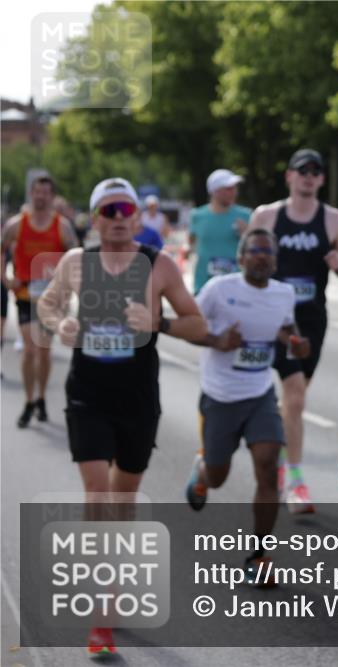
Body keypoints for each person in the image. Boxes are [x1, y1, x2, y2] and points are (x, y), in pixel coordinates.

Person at [36, 177, 206, 657]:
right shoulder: (76, 262)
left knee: (123, 499)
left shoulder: (160, 265)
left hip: (137, 400)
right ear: (94, 218)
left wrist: (159, 322)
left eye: (124, 210)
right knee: (98, 493)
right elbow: (46, 305)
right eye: (108, 210)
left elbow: (198, 324)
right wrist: (60, 324)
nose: (116, 218)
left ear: (136, 217)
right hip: (87, 395)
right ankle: (101, 612)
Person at [184, 227, 310, 581]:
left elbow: (288, 330)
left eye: (268, 251)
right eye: (255, 250)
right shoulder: (218, 290)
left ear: (275, 261)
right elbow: (187, 325)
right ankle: (203, 469)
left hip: (260, 395)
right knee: (218, 477)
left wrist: (297, 344)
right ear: (240, 258)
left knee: (268, 467)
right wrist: (217, 340)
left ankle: (260, 555)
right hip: (220, 396)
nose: (262, 256)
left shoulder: (283, 293)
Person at [249, 148, 338, 514]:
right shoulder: (267, 216)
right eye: (301, 170)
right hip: (273, 318)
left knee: (293, 398)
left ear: (321, 178)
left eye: (315, 171)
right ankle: (294, 481)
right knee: (293, 398)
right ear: (289, 176)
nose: (308, 176)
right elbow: (246, 260)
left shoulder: (333, 219)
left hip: (310, 321)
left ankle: (280, 465)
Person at [0, 173, 78, 427]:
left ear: (52, 197)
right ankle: (29, 400)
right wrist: (5, 278)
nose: (40, 196)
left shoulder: (62, 227)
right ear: (31, 194)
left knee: (44, 352)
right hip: (25, 293)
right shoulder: (17, 224)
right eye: (37, 192)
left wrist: (67, 285)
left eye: (45, 192)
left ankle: (42, 397)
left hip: (51, 298)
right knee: (30, 348)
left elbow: (76, 256)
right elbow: (1, 248)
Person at [189, 169, 251, 294]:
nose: (234, 192)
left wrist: (247, 235)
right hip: (203, 286)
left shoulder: (246, 215)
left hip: (236, 287)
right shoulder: (197, 216)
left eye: (235, 188)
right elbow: (192, 244)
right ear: (214, 191)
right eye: (228, 188)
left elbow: (255, 250)